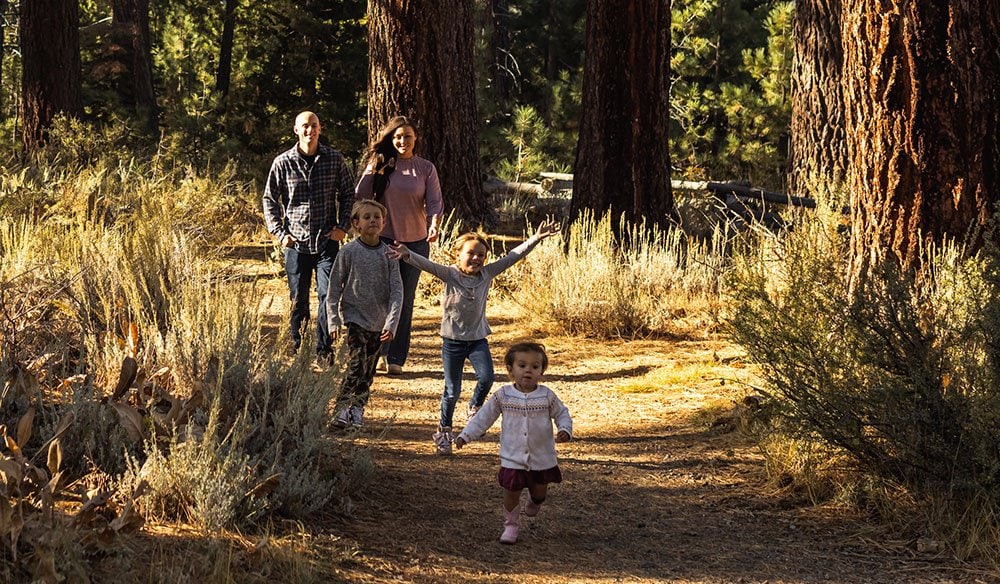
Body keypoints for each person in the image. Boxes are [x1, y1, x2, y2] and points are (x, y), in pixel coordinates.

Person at [387, 219, 560, 455]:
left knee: (487, 377)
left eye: (481, 255)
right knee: (451, 390)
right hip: (452, 343)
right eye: (471, 253)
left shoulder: (486, 275)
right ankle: (444, 431)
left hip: (478, 340)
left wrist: (536, 238)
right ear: (458, 255)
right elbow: (426, 264)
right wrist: (407, 254)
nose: (476, 258)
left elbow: (512, 256)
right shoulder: (449, 274)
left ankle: (474, 406)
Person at [455, 342, 572, 545]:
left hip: (542, 457)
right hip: (512, 457)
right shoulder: (503, 396)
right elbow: (484, 417)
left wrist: (564, 430)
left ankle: (535, 501)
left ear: (542, 371)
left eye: (535, 367)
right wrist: (466, 435)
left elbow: (562, 413)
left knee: (539, 492)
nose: (528, 370)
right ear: (510, 369)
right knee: (511, 492)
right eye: (522, 365)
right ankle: (510, 525)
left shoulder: (546, 396)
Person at [263, 111, 355, 363]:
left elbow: (348, 193)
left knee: (328, 297)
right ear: (296, 130)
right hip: (296, 243)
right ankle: (298, 348)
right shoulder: (283, 162)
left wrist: (342, 227)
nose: (309, 130)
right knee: (298, 299)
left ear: (320, 128)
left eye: (314, 125)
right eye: (305, 126)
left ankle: (324, 351)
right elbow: (270, 199)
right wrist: (280, 234)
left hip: (327, 242)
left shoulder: (334, 159)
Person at [356, 116, 443, 375]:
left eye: (407, 136)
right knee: (379, 298)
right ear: (390, 140)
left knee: (404, 299)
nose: (402, 141)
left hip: (415, 242)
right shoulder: (381, 164)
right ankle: (375, 352)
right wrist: (368, 220)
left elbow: (435, 202)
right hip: (381, 240)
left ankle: (396, 356)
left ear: (415, 138)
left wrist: (434, 224)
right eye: (397, 137)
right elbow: (360, 194)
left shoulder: (425, 168)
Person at [326, 200, 403, 428]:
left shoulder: (389, 254)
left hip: (378, 324)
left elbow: (397, 291)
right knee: (356, 364)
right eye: (367, 217)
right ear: (356, 224)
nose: (372, 221)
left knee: (369, 370)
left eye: (377, 217)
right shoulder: (349, 252)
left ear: (384, 222)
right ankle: (340, 409)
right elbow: (332, 290)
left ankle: (357, 409)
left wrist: (391, 323)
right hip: (354, 319)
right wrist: (333, 321)